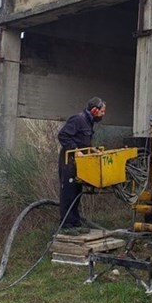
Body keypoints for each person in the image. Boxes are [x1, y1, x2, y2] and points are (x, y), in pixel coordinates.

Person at [57, 97, 106, 235]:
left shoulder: (88, 122)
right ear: (95, 110)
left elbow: (82, 140)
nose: (103, 114)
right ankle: (66, 225)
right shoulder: (78, 119)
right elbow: (63, 136)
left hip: (80, 164)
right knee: (68, 193)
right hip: (69, 162)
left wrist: (92, 149)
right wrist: (75, 150)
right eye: (102, 111)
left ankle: (75, 223)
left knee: (77, 192)